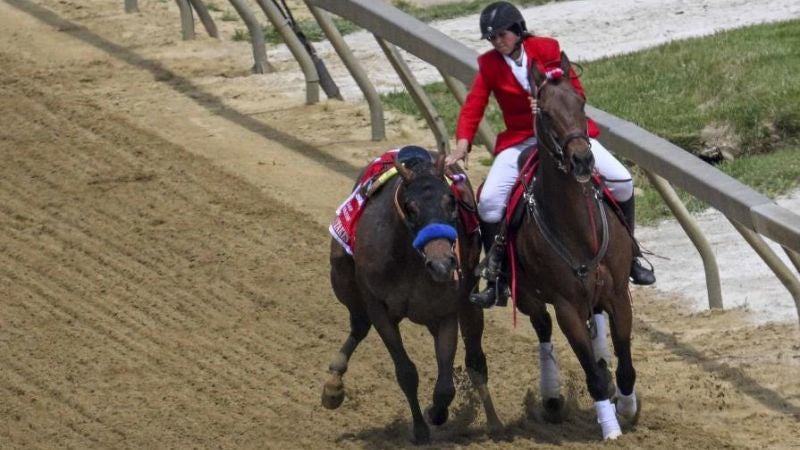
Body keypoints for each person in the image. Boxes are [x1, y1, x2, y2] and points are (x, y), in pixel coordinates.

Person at [445, 1, 655, 308]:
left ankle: (632, 254)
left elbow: (576, 93)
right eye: (492, 38)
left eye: (502, 35)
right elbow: (474, 104)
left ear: (517, 30)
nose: (498, 42)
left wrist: (547, 100)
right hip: (521, 139)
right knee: (489, 202)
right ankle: (497, 276)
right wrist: (463, 142)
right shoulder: (489, 64)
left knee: (622, 182)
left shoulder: (547, 47)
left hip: (564, 133)